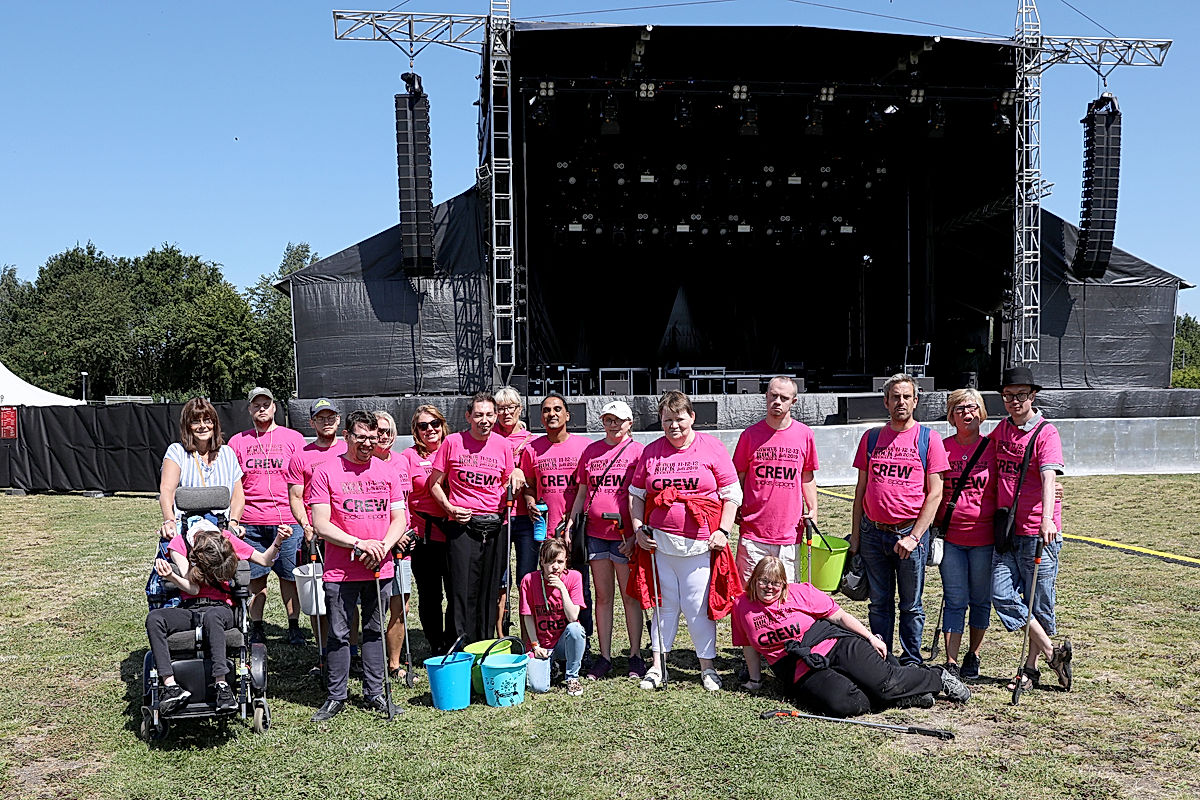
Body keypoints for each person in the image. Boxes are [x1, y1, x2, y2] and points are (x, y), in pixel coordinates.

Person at [732, 557, 970, 717]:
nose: (769, 588)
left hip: (834, 643)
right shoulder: (742, 606)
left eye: (776, 583)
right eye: (763, 581)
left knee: (887, 682)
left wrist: (870, 638)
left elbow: (839, 617)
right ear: (754, 580)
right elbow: (748, 646)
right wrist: (755, 680)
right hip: (797, 666)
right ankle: (901, 698)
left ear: (784, 584)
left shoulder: (801, 593)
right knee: (846, 704)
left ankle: (937, 676)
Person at [630, 390, 741, 692]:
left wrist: (724, 530)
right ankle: (657, 666)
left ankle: (707, 667)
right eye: (667, 420)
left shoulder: (712, 448)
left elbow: (732, 494)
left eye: (679, 419)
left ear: (692, 417)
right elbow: (637, 495)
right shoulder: (651, 452)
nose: (673, 426)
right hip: (660, 545)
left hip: (700, 545)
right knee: (663, 607)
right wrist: (639, 528)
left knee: (696, 606)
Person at [308, 410, 413, 721]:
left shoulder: (388, 472)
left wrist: (382, 546)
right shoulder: (326, 472)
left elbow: (400, 519)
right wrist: (358, 544)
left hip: (379, 565)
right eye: (361, 436)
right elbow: (321, 524)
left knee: (374, 630)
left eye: (373, 436)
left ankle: (375, 693)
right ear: (347, 437)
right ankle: (336, 695)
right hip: (341, 569)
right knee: (340, 633)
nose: (368, 442)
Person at [850, 373, 949, 666]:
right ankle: (882, 658)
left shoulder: (928, 439)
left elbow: (935, 494)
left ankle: (910, 662)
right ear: (885, 402)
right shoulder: (871, 438)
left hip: (909, 536)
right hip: (872, 534)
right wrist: (855, 536)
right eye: (895, 397)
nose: (901, 402)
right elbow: (861, 490)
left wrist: (915, 536)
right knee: (879, 603)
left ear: (916, 401)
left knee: (911, 605)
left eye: (907, 396)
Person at [147, 519, 292, 715]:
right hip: (190, 607)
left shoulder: (226, 540)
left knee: (212, 616)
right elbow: (194, 587)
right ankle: (171, 686)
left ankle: (222, 685)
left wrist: (279, 540)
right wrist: (172, 576)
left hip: (221, 607)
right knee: (155, 618)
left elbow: (265, 560)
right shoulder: (179, 544)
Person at [732, 376, 819, 690]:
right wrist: (737, 506)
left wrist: (813, 507)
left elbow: (806, 475)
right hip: (754, 531)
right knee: (749, 599)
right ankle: (751, 663)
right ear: (765, 397)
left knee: (785, 601)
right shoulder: (750, 435)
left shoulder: (804, 436)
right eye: (772, 396)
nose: (777, 402)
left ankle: (786, 660)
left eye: (784, 397)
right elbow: (738, 476)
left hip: (788, 533)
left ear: (794, 401)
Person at [990, 366, 1073, 694]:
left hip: (1039, 532)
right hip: (1007, 531)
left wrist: (1047, 518)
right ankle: (1055, 654)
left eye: (1021, 395)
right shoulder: (1001, 430)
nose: (1014, 401)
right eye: (1008, 396)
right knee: (1000, 592)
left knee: (1038, 602)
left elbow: (1049, 477)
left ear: (1033, 396)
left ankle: (1030, 669)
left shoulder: (1046, 433)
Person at [427, 392, 517, 643]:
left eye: (490, 414)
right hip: (462, 525)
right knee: (462, 590)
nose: (484, 420)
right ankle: (461, 645)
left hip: (495, 526)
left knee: (490, 590)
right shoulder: (453, 442)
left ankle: (485, 643)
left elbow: (508, 479)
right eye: (478, 415)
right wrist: (450, 508)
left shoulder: (503, 446)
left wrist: (517, 476)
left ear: (496, 416)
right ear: (468, 416)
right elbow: (433, 484)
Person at [566, 399, 646, 680]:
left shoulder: (639, 453)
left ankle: (635, 656)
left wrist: (637, 535)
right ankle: (605, 657)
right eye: (608, 420)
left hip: (625, 536)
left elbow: (643, 496)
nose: (612, 425)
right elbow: (582, 492)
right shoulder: (591, 451)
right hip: (596, 535)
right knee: (602, 597)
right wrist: (572, 522)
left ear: (629, 423)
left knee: (629, 597)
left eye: (618, 420)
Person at [228, 387, 307, 646]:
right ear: (249, 409)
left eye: (266, 404)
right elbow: (233, 483)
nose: (262, 408)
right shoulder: (238, 442)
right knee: (255, 577)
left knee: (289, 576)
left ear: (274, 407)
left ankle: (293, 625)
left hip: (286, 519)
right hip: (251, 521)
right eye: (256, 405)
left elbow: (303, 480)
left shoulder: (293, 439)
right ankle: (257, 626)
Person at [935, 388, 996, 681]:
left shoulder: (993, 448)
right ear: (951, 415)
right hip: (952, 539)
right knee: (955, 598)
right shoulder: (942, 447)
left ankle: (974, 655)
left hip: (985, 539)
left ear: (981, 412)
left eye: (972, 408)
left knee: (981, 600)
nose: (967, 414)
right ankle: (951, 662)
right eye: (960, 409)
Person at [520, 393, 593, 640]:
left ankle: (582, 644)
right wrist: (530, 501)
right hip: (545, 533)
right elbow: (529, 485)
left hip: (574, 533)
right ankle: (549, 641)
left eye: (557, 409)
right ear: (541, 417)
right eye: (546, 410)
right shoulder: (532, 449)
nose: (552, 414)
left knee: (579, 587)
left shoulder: (584, 447)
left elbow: (588, 489)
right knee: (547, 587)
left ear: (567, 415)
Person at [285, 398, 348, 676]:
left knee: (349, 595)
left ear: (338, 419)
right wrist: (305, 524)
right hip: (315, 536)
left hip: (347, 534)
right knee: (317, 597)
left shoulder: (350, 448)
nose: (326, 421)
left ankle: (352, 652)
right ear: (312, 422)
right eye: (320, 418)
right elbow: (296, 497)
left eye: (331, 416)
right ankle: (323, 654)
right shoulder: (301, 456)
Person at [401, 405, 456, 655]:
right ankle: (436, 644)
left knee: (457, 592)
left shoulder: (455, 448)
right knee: (431, 595)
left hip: (456, 533)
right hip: (425, 534)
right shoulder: (408, 458)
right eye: (423, 426)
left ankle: (453, 640)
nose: (430, 430)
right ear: (416, 431)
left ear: (442, 424)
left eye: (434, 424)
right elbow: (400, 497)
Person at [158, 397, 245, 539]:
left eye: (207, 420)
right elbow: (167, 491)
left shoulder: (228, 453)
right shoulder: (177, 452)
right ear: (187, 426)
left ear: (215, 424)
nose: (202, 426)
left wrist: (234, 522)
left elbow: (238, 496)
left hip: (221, 529)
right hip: (188, 528)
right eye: (196, 421)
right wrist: (169, 521)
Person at [372, 410, 417, 682]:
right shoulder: (364, 464)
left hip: (403, 543)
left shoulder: (401, 462)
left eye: (389, 431)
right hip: (378, 543)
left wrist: (406, 530)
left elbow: (405, 503)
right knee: (374, 606)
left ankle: (394, 663)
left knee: (401, 605)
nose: (385, 436)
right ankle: (367, 657)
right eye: (379, 431)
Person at [493, 385, 536, 635]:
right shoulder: (489, 437)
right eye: (501, 408)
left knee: (526, 578)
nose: (506, 413)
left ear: (520, 409)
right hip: (499, 515)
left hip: (525, 518)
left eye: (511, 407)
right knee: (500, 579)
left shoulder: (530, 440)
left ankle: (528, 635)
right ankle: (500, 635)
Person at [521, 538, 587, 696]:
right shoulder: (529, 580)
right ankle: (552, 667)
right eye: (551, 561)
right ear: (542, 561)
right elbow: (528, 617)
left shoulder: (574, 577)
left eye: (560, 561)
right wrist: (535, 646)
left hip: (563, 642)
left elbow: (572, 617)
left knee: (576, 629)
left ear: (566, 562)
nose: (555, 567)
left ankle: (572, 677)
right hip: (542, 646)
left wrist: (562, 589)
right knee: (538, 687)